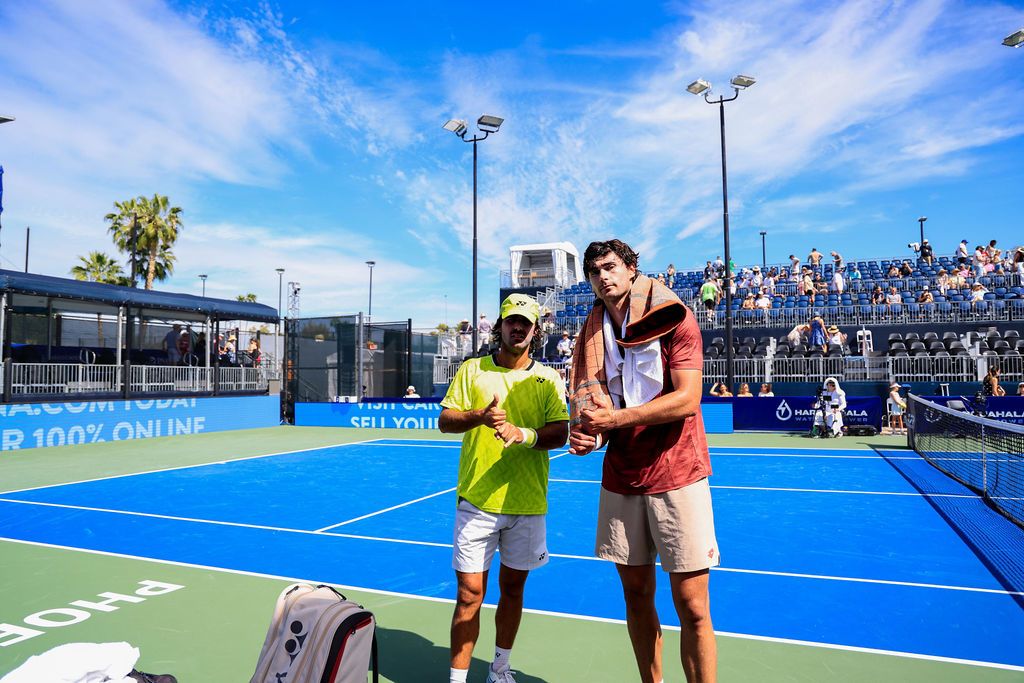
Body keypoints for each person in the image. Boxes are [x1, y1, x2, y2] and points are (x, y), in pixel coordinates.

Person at [567, 239, 719, 683]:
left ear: (632, 268)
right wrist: (592, 436)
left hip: (678, 471)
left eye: (610, 266)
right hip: (623, 476)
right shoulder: (591, 332)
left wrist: (614, 419)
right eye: (594, 271)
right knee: (635, 596)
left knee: (692, 605)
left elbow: (687, 399)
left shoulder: (674, 316)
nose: (603, 277)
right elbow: (600, 410)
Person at [439, 293, 570, 683]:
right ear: (500, 326)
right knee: (469, 594)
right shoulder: (472, 370)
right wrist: (479, 416)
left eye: (525, 323)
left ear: (535, 330)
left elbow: (560, 432)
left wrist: (523, 434)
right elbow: (446, 421)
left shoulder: (548, 378)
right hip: (477, 501)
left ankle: (499, 669)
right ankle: (457, 679)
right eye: (511, 321)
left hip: (527, 503)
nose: (518, 328)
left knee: (513, 590)